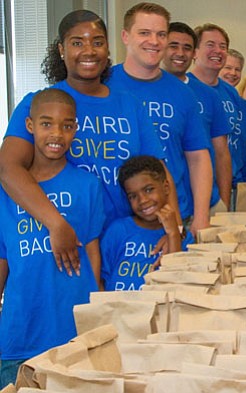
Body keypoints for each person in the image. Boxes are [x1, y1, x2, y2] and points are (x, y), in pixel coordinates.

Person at [0, 9, 167, 275]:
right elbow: (8, 170)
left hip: (124, 244)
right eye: (77, 42)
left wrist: (173, 229)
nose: (88, 50)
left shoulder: (130, 105)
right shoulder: (38, 104)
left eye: (97, 42)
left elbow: (159, 172)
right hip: (64, 242)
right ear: (61, 49)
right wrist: (56, 224)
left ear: (108, 48)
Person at [0, 90, 104, 388]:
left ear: (75, 129)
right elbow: (3, 258)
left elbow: (93, 253)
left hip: (72, 333)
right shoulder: (6, 192)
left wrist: (94, 314)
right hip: (20, 332)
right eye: (46, 124)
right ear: (30, 126)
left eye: (67, 125)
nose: (56, 133)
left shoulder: (87, 185)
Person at [106, 2, 213, 236]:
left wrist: (202, 216)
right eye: (144, 33)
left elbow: (198, 158)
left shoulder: (183, 93)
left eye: (161, 34)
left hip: (172, 218)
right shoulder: (104, 85)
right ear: (125, 36)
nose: (154, 41)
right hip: (115, 220)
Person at [190, 24, 246, 202]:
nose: (217, 51)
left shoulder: (230, 93)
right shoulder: (184, 89)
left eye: (222, 46)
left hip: (230, 186)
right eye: (210, 44)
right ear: (195, 51)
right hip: (194, 189)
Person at [162, 21, 232, 213]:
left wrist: (224, 204)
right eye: (173, 46)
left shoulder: (209, 95)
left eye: (186, 48)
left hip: (206, 202)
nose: (180, 53)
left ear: (193, 53)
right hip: (158, 205)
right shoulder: (146, 90)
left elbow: (221, 152)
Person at [101, 155, 193, 291]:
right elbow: (101, 279)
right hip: (118, 310)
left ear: (166, 187)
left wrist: (173, 234)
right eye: (133, 196)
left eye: (149, 190)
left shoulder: (184, 237)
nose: (142, 200)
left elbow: (175, 284)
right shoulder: (117, 231)